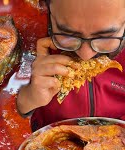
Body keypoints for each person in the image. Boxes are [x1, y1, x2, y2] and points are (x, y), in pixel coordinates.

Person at [16, 0, 125, 131]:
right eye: (67, 34)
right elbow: (3, 110)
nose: (85, 55)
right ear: (46, 9)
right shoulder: (27, 35)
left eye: (105, 37)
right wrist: (29, 97)